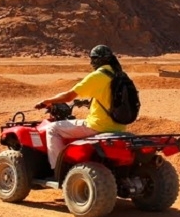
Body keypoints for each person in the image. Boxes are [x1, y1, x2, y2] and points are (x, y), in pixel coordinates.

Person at [34, 44, 126, 172]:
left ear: (99, 60)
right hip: (120, 127)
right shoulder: (121, 76)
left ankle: (59, 169)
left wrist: (47, 101)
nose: (91, 62)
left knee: (52, 129)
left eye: (93, 58)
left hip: (97, 126)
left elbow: (68, 96)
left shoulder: (98, 76)